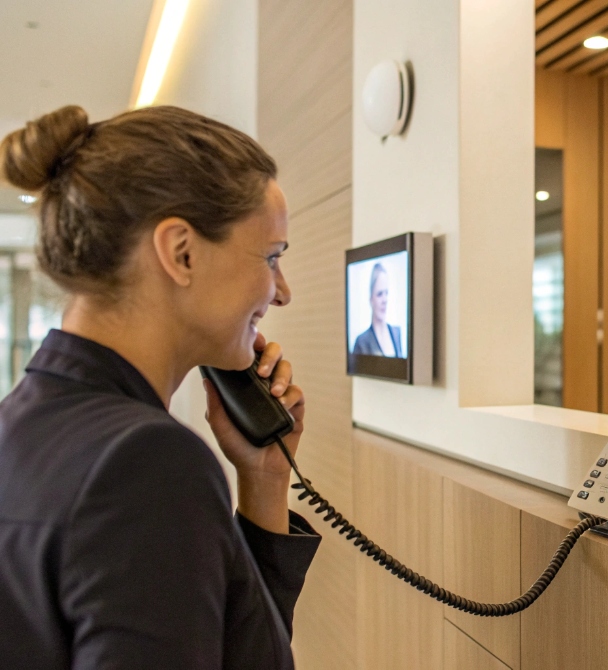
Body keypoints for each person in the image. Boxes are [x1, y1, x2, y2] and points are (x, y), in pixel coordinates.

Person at [0, 105, 319, 669]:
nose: (281, 291)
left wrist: (264, 479)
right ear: (181, 252)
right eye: (271, 258)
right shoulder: (146, 462)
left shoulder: (20, 426)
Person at [352, 262, 403, 357]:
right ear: (371, 299)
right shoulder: (361, 342)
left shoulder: (396, 333)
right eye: (379, 294)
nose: (384, 300)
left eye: (386, 293)